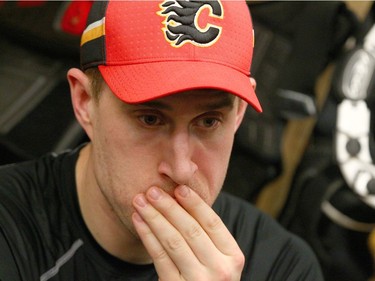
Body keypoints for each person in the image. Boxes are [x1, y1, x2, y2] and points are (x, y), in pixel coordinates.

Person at [0, 0, 324, 280]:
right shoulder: (11, 229)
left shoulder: (282, 265)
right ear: (85, 102)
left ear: (238, 114)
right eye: (150, 119)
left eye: (209, 121)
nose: (182, 170)